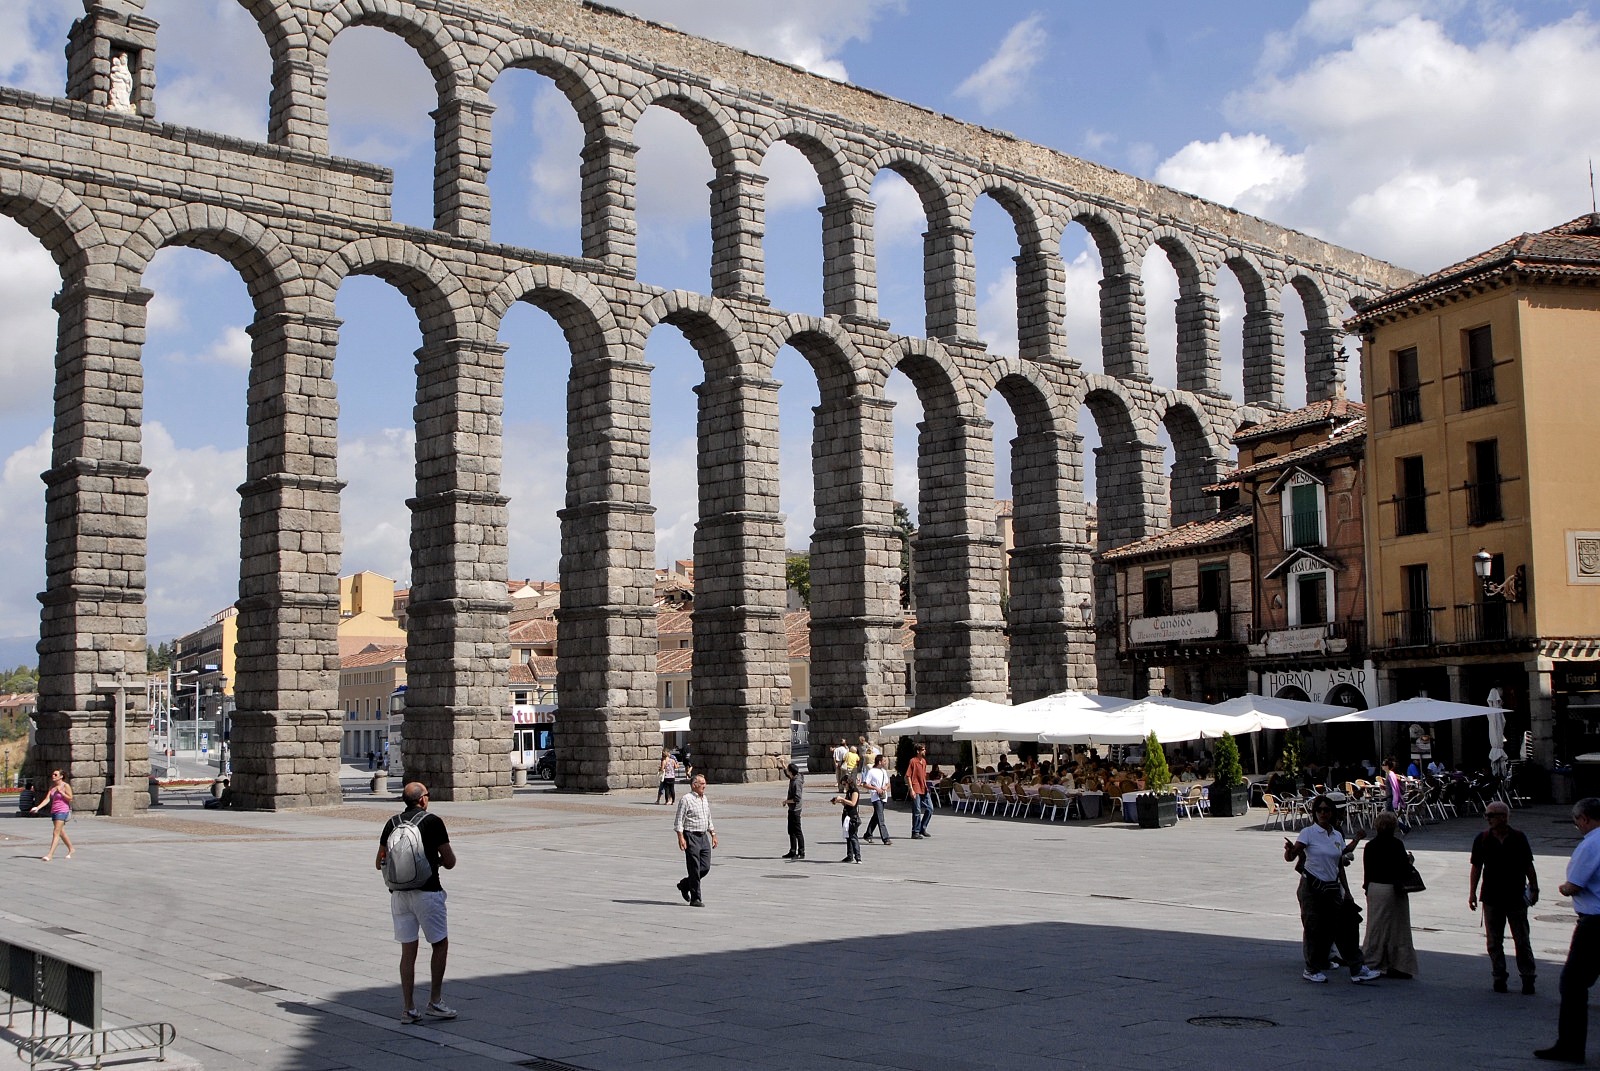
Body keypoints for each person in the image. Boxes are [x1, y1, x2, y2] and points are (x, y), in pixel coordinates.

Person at [376, 782, 457, 1024]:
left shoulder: (391, 823)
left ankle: (408, 1008)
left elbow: (379, 860)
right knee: (439, 944)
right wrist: (437, 861)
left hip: (399, 896)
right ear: (422, 800)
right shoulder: (433, 822)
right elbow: (450, 861)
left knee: (407, 952)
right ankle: (435, 1001)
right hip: (427, 892)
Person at [1284, 794, 1382, 984]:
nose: (1322, 813)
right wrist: (1288, 850)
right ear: (1314, 813)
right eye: (1319, 810)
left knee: (1345, 927)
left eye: (1326, 810)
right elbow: (1292, 856)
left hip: (1332, 887)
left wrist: (1357, 840)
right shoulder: (1308, 833)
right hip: (1312, 887)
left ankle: (1356, 968)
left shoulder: (1336, 834)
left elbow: (1341, 856)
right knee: (1314, 928)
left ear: (1331, 813)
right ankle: (1311, 969)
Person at [1535, 798, 1600, 1063]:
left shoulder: (1592, 843)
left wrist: (1564, 888)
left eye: (1576, 822)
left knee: (1572, 984)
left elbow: (1574, 884)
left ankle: (1571, 1046)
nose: (1577, 827)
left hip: (1594, 923)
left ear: (1584, 819)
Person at [1470, 800, 1540, 994]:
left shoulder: (1518, 838)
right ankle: (1499, 976)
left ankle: (1528, 977)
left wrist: (1534, 888)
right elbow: (1476, 867)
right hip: (1491, 896)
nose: (1487, 818)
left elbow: (1528, 865)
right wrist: (1472, 893)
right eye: (1486, 815)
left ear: (1503, 817)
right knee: (1494, 940)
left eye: (1491, 815)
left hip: (1516, 895)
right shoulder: (1482, 839)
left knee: (1522, 939)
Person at [1361, 810, 1419, 978]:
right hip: (1393, 889)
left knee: (1376, 927)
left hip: (1375, 888)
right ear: (1393, 826)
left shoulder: (1370, 845)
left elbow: (1368, 871)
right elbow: (1402, 868)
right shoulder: (1397, 845)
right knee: (1398, 928)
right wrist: (1410, 862)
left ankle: (1372, 959)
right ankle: (1400, 963)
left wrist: (1367, 889)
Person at [673, 774, 716, 907]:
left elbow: (708, 816)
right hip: (690, 836)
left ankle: (684, 884)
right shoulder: (686, 799)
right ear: (694, 785)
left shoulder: (704, 799)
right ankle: (695, 898)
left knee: (705, 867)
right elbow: (679, 819)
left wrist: (713, 833)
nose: (704, 785)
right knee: (694, 868)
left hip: (703, 836)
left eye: (705, 783)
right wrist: (680, 837)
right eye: (701, 783)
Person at [31, 769, 74, 861]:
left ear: (61, 776)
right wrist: (37, 808)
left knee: (56, 832)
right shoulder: (52, 787)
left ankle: (50, 855)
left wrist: (62, 793)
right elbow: (47, 799)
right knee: (61, 832)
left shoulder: (66, 786)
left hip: (63, 811)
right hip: (54, 811)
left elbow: (70, 798)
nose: (53, 776)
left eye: (55, 774)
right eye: (53, 774)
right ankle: (71, 849)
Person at [860, 754, 892, 845]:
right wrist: (875, 788)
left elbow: (887, 783)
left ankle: (868, 834)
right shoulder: (871, 771)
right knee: (880, 817)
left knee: (876, 816)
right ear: (880, 762)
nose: (886, 762)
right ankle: (885, 838)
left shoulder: (883, 771)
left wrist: (885, 787)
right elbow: (865, 784)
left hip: (883, 796)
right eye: (884, 761)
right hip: (875, 797)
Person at [830, 774, 861, 863]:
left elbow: (853, 803)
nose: (844, 786)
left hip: (852, 816)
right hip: (846, 815)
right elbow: (847, 804)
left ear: (849, 783)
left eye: (844, 784)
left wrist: (842, 799)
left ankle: (858, 857)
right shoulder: (848, 792)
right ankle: (849, 855)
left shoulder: (855, 791)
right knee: (848, 836)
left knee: (853, 836)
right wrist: (839, 801)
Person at [907, 743, 932, 840]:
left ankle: (922, 827)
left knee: (930, 808)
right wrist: (911, 789)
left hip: (924, 788)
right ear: (918, 751)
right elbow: (908, 776)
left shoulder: (924, 761)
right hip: (916, 788)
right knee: (917, 810)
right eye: (923, 749)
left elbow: (924, 775)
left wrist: (926, 786)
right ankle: (915, 832)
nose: (925, 751)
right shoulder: (913, 761)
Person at [781, 762, 805, 859]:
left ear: (791, 772)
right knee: (791, 830)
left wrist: (786, 801)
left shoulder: (796, 782)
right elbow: (787, 774)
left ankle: (801, 851)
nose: (787, 771)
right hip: (792, 809)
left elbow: (797, 798)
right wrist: (783, 763)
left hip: (795, 809)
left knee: (797, 831)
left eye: (788, 770)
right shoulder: (795, 777)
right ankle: (792, 850)